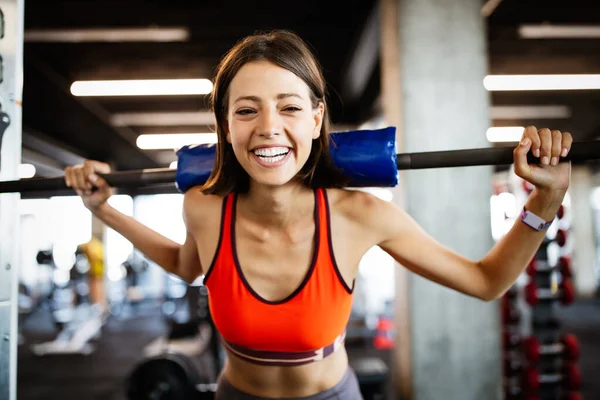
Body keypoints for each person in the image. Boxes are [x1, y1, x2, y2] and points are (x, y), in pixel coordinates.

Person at [64, 30, 572, 399]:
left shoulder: (359, 214)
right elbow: (185, 265)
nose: (268, 128)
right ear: (224, 126)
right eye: (246, 110)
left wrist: (543, 203)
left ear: (316, 117)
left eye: (288, 107)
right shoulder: (203, 206)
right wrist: (103, 208)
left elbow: (485, 281)